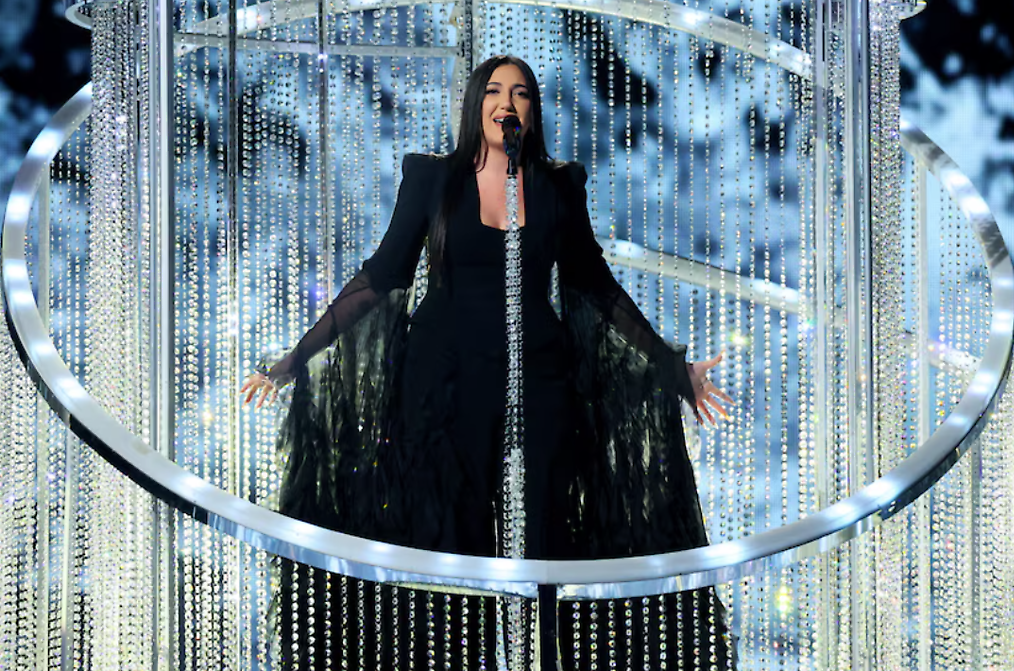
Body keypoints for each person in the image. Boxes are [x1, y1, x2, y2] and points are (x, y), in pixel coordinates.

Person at [241, 55, 735, 670]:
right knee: (451, 543)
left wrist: (671, 368)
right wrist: (293, 360)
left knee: (549, 537)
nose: (507, 103)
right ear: (476, 104)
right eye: (495, 91)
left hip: (541, 379)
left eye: (520, 93)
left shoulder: (559, 185)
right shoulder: (433, 178)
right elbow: (381, 276)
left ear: (532, 111)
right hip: (442, 384)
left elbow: (596, 286)